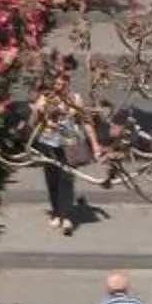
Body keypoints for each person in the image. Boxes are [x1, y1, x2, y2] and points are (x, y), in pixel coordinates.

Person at [28, 61, 100, 233]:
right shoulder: (45, 98)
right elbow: (33, 124)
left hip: (69, 145)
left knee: (66, 179)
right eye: (56, 83)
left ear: (67, 83)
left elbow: (86, 122)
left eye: (62, 83)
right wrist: (37, 110)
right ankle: (56, 212)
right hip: (49, 144)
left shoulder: (75, 99)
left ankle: (66, 216)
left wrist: (95, 145)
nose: (58, 86)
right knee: (52, 179)